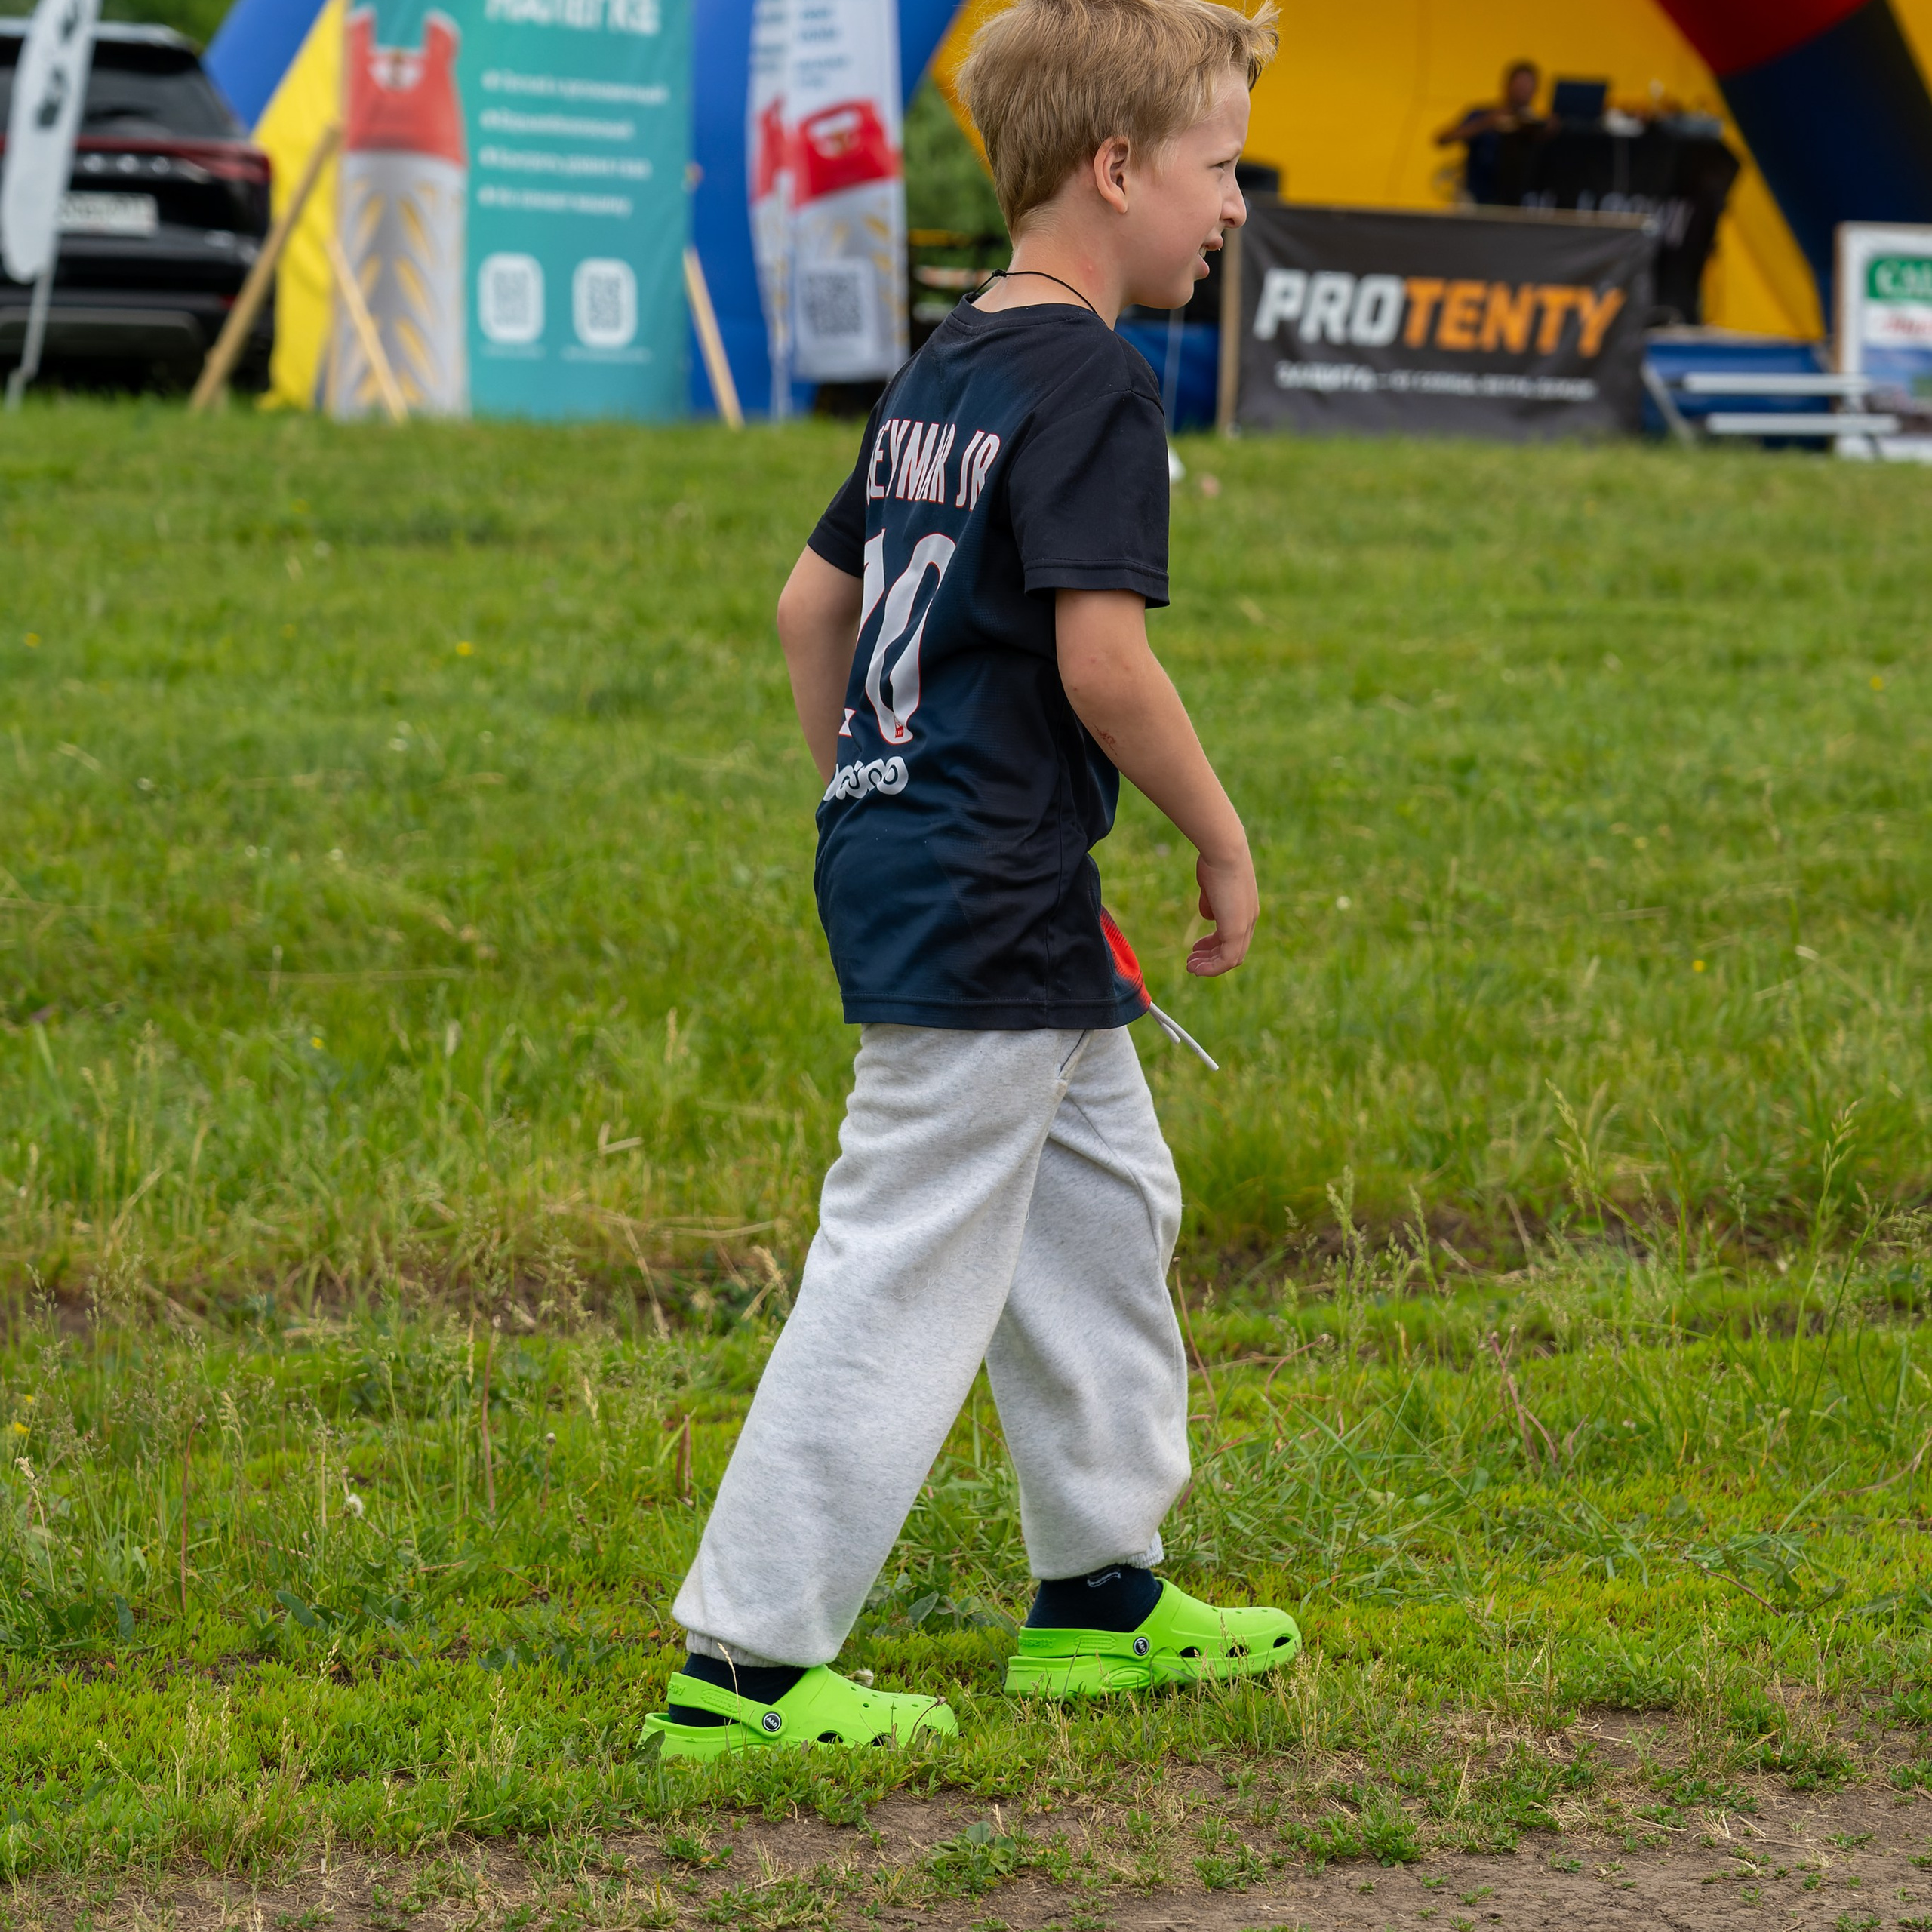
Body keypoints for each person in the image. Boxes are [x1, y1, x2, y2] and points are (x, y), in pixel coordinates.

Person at [642, 0, 1300, 1761]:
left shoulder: (950, 361)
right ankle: (744, 1663)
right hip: (990, 878)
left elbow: (811, 606)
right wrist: (1219, 835)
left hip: (944, 859)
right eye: (1219, 166)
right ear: (1116, 169)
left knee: (1102, 1208)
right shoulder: (1095, 381)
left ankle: (1099, 1593)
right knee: (907, 1252)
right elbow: (1102, 662)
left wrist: (870, 782)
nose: (1233, 206)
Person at [1436, 60, 1546, 205]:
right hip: (1477, 198)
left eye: (1528, 86)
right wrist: (1485, 123)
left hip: (1518, 202)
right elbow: (1443, 139)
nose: (1523, 90)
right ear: (1507, 85)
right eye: (1519, 85)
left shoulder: (1538, 124)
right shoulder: (1484, 116)